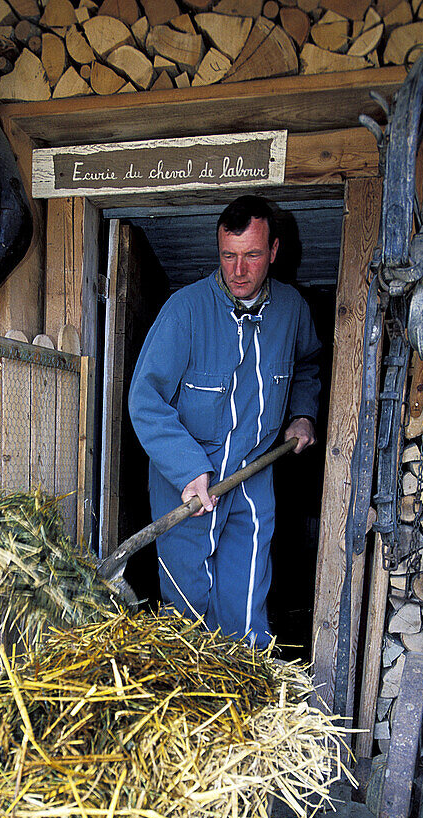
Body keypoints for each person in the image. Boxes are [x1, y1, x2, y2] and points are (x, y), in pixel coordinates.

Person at [127, 194, 321, 646]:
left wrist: (302, 413)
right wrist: (187, 468)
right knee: (186, 599)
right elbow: (145, 398)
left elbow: (308, 364)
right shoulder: (185, 311)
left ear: (272, 251)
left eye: (252, 255)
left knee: (246, 587)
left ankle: (246, 687)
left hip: (254, 472)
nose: (238, 270)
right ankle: (190, 692)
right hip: (190, 477)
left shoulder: (291, 310)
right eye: (228, 256)